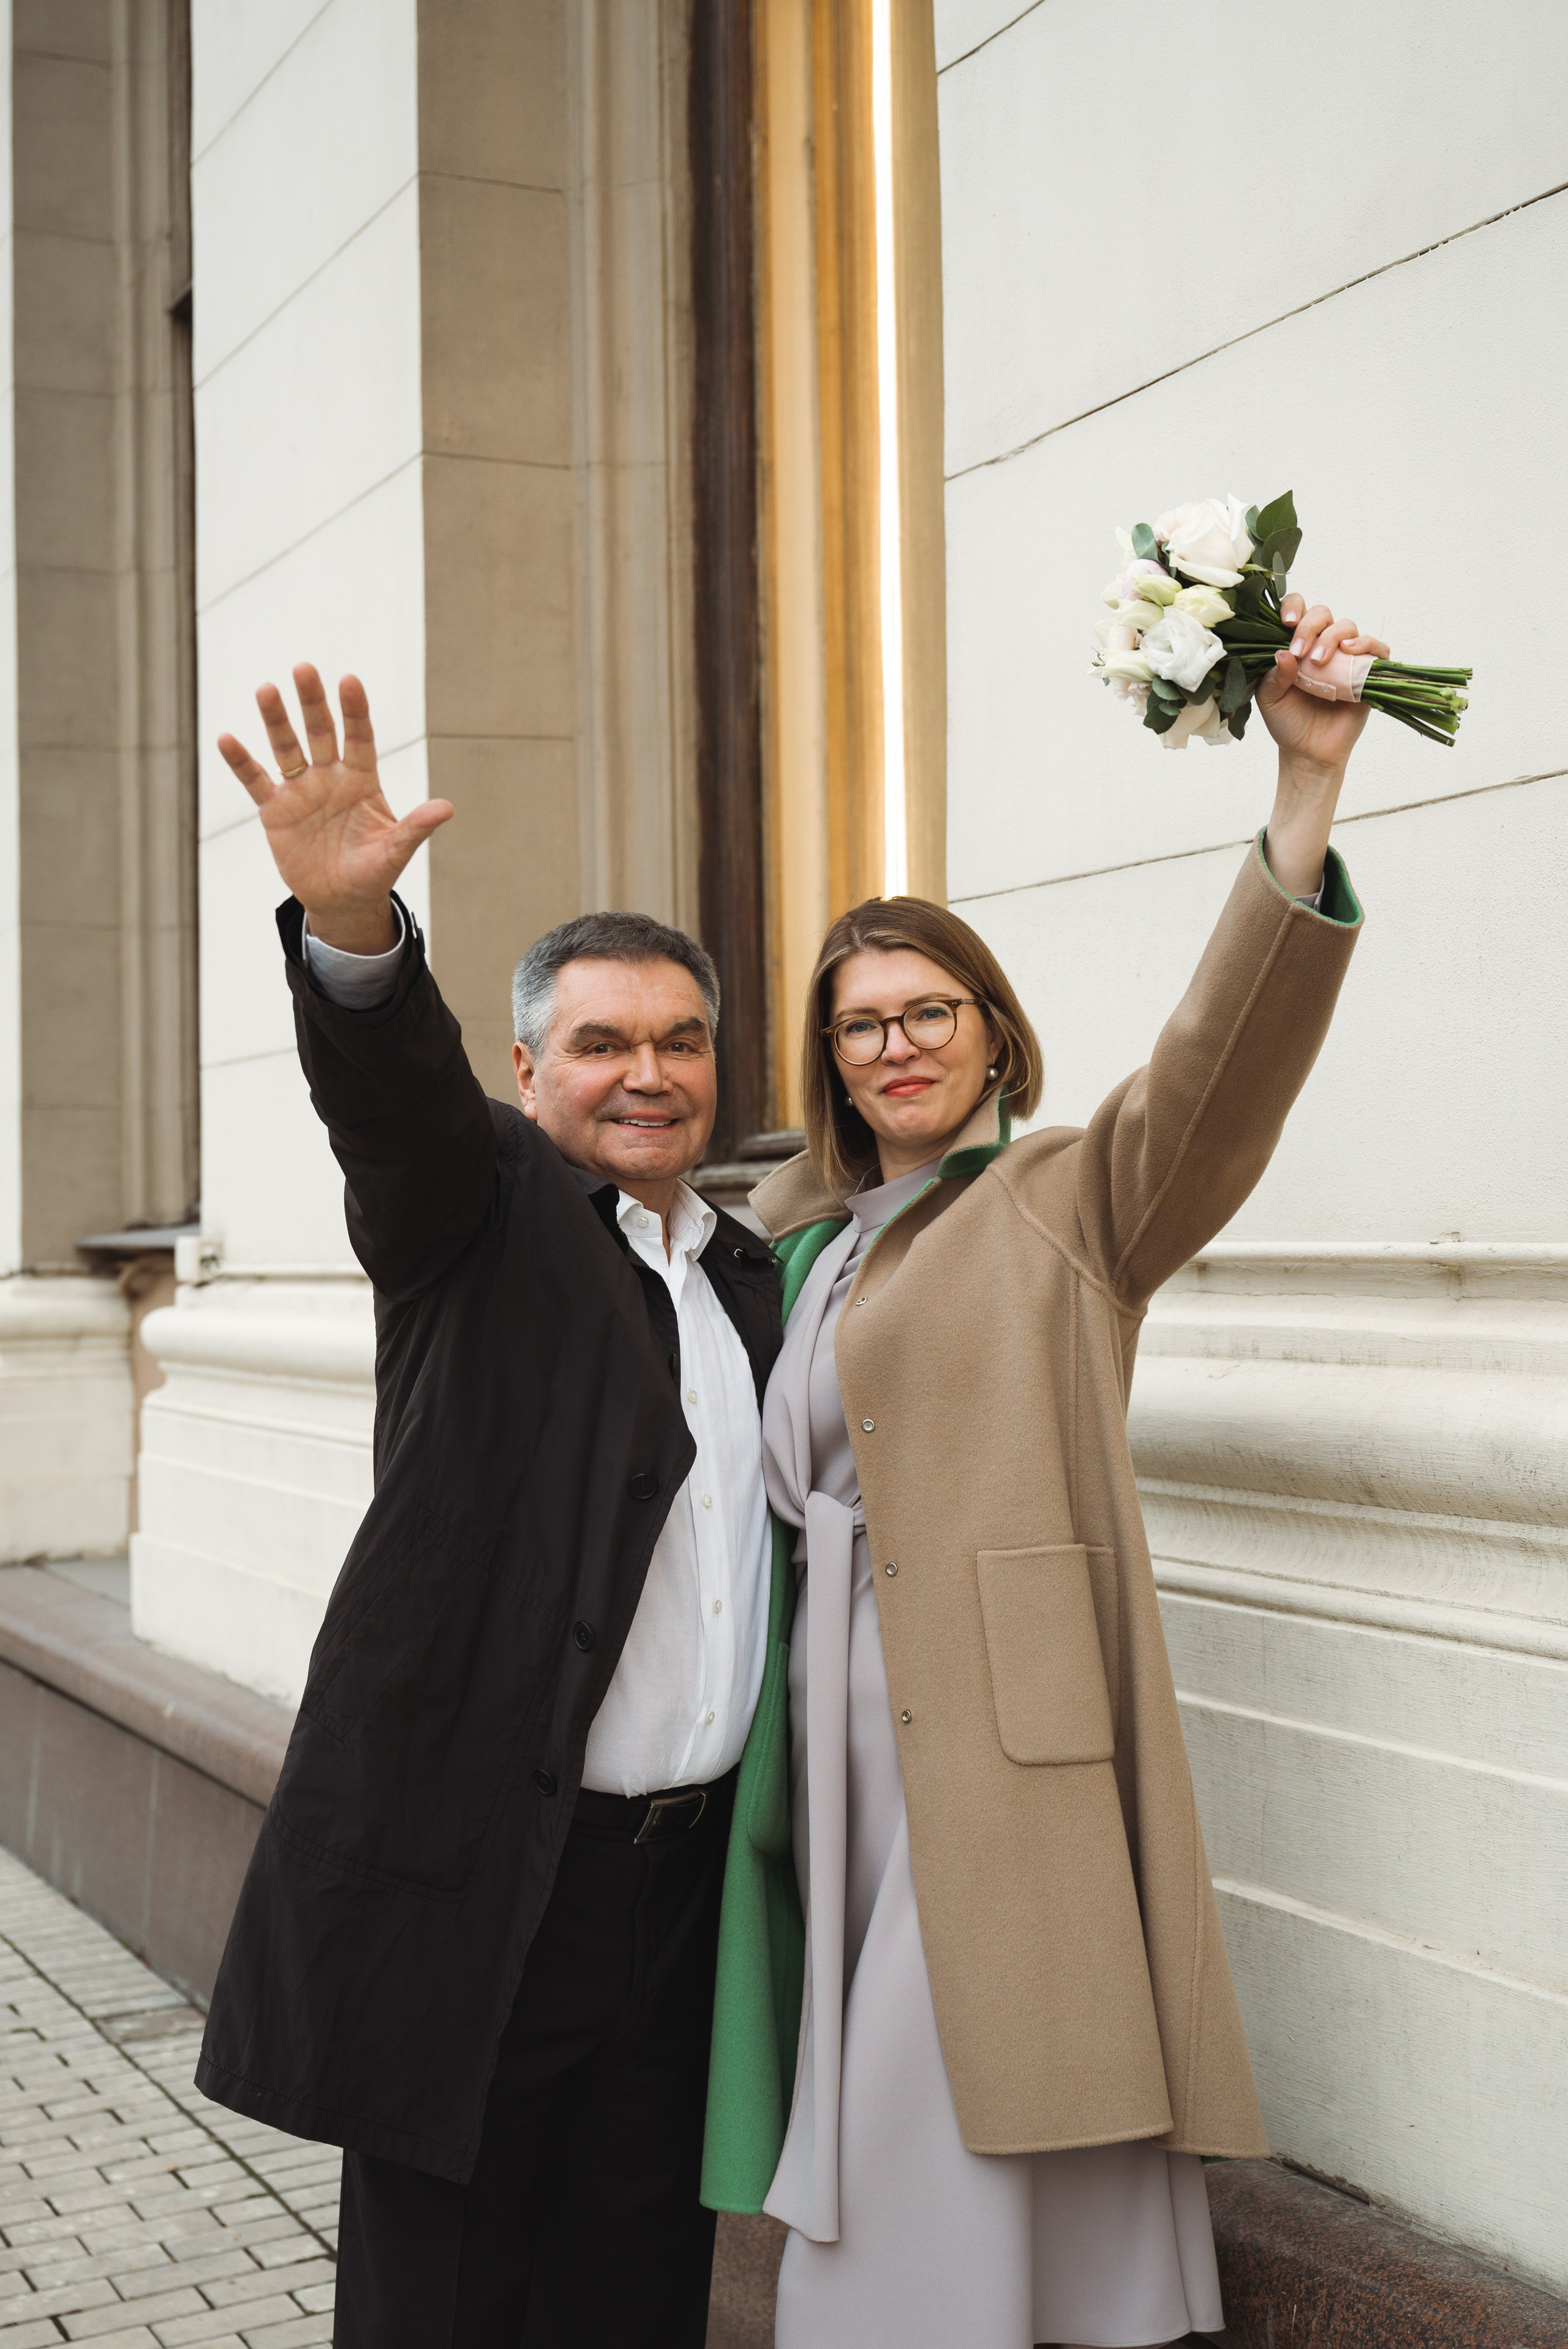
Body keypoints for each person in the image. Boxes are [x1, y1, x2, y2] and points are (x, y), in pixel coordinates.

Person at [699, 594, 1385, 2348]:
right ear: (829, 1061)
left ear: (995, 1036)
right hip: (825, 1745)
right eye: (860, 1024)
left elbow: (1220, 1074)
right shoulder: (795, 1242)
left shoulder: (1070, 1202)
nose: (897, 1044)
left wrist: (1302, 791)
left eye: (933, 1011)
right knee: (916, 2084)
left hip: (994, 1735)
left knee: (960, 2076)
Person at [196, 666, 787, 2347]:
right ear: (530, 1065)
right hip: (494, 1890)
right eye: (602, 1041)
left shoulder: (746, 1275)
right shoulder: (483, 1214)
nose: (649, 1073)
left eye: (681, 1039)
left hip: (682, 1911)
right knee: (447, 2308)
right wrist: (355, 925)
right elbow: (391, 1103)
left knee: (633, 2299)